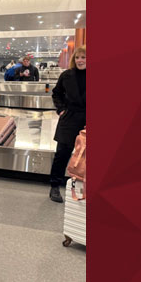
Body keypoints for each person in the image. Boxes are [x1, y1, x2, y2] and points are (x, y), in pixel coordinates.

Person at [49, 45, 86, 203]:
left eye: (83, 57)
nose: (80, 60)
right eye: (77, 57)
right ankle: (55, 186)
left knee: (86, 155)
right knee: (62, 153)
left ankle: (84, 184)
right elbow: (56, 93)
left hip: (87, 119)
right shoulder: (67, 75)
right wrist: (61, 110)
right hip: (69, 118)